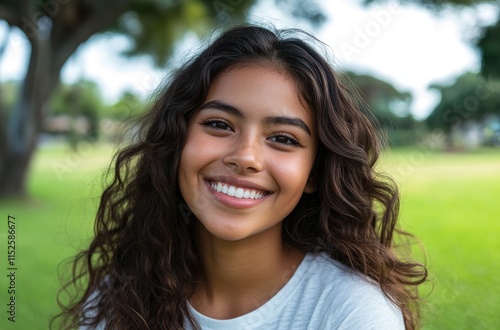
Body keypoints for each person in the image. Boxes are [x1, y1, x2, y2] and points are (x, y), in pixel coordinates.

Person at [55, 25, 427, 330]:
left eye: (283, 139)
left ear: (315, 172)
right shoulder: (120, 295)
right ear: (177, 142)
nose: (245, 157)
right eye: (219, 124)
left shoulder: (354, 313)